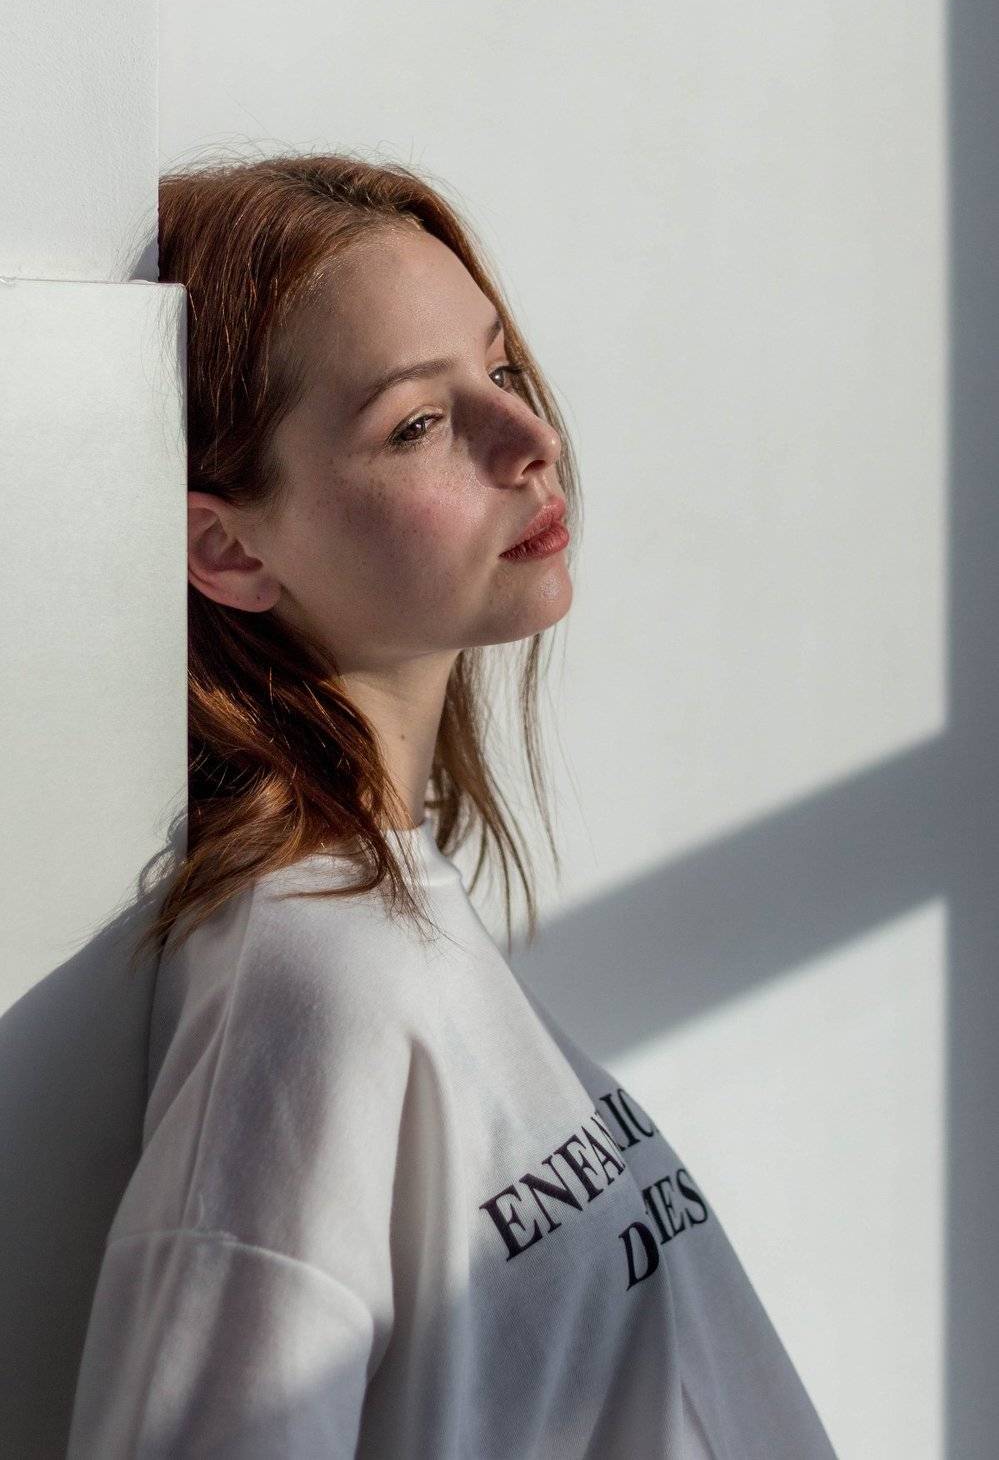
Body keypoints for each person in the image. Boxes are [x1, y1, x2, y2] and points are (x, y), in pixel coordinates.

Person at [66, 152, 838, 1458]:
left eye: (503, 369)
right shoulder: (305, 979)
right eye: (418, 424)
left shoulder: (389, 918)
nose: (533, 440)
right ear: (229, 549)